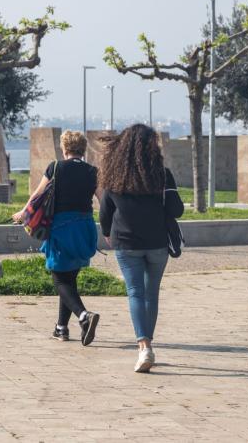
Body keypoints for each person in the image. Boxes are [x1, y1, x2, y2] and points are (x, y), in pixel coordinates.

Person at [99, 124, 184, 373]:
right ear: (152, 147)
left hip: (127, 243)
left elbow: (105, 212)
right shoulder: (163, 175)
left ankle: (144, 347)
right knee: (151, 294)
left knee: (135, 293)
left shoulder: (114, 177)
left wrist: (107, 233)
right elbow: (176, 210)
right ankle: (148, 345)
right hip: (158, 243)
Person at [12, 130, 100, 345]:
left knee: (59, 279)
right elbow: (104, 200)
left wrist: (23, 213)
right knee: (69, 279)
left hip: (61, 227)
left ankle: (83, 316)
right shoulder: (92, 171)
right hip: (85, 227)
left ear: (64, 148)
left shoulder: (56, 167)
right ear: (83, 148)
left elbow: (37, 194)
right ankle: (61, 328)